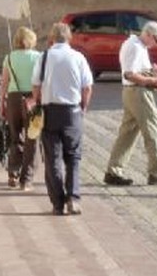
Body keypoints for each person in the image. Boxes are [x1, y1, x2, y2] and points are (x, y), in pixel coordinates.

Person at [32, 22, 94, 215]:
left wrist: (39, 101)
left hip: (50, 111)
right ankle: (73, 198)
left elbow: (35, 85)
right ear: (69, 38)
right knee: (73, 156)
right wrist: (83, 106)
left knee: (53, 159)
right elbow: (87, 86)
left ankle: (57, 202)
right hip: (72, 111)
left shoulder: (44, 57)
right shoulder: (78, 57)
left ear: (51, 38)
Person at [103, 20, 157, 186]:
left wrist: (155, 75)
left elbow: (137, 72)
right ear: (147, 34)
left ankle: (114, 170)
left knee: (127, 133)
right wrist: (153, 80)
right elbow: (130, 74)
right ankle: (156, 173)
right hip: (137, 92)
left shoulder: (138, 45)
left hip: (132, 92)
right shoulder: (135, 46)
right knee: (154, 130)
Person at [0, 26, 43, 190]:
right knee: (32, 139)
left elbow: (4, 82)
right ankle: (27, 179)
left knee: (15, 136)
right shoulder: (38, 57)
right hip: (32, 99)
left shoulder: (9, 57)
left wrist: (1, 103)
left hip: (13, 98)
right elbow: (41, 81)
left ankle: (13, 172)